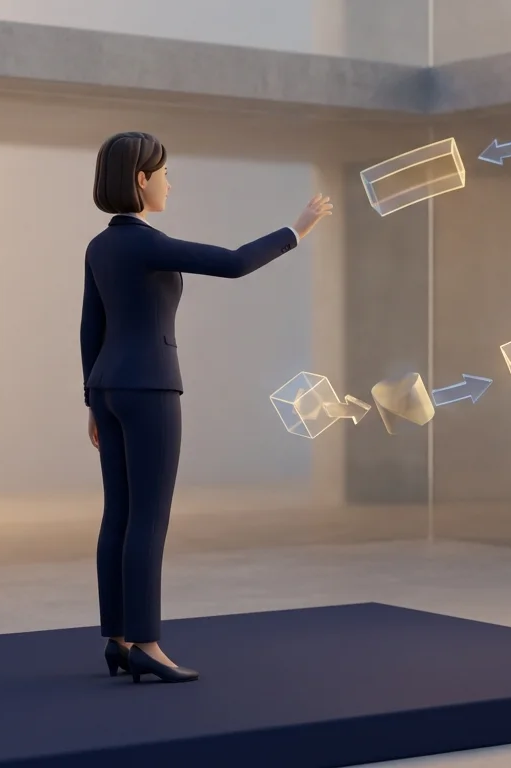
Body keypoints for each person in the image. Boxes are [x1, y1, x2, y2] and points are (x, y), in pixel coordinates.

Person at [80, 131, 333, 684]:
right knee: (149, 517)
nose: (171, 182)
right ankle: (146, 643)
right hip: (150, 389)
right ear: (141, 179)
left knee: (118, 515)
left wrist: (91, 400)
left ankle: (117, 638)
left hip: (109, 389)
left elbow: (90, 328)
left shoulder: (100, 246)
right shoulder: (147, 242)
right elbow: (236, 263)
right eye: (165, 172)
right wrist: (298, 229)